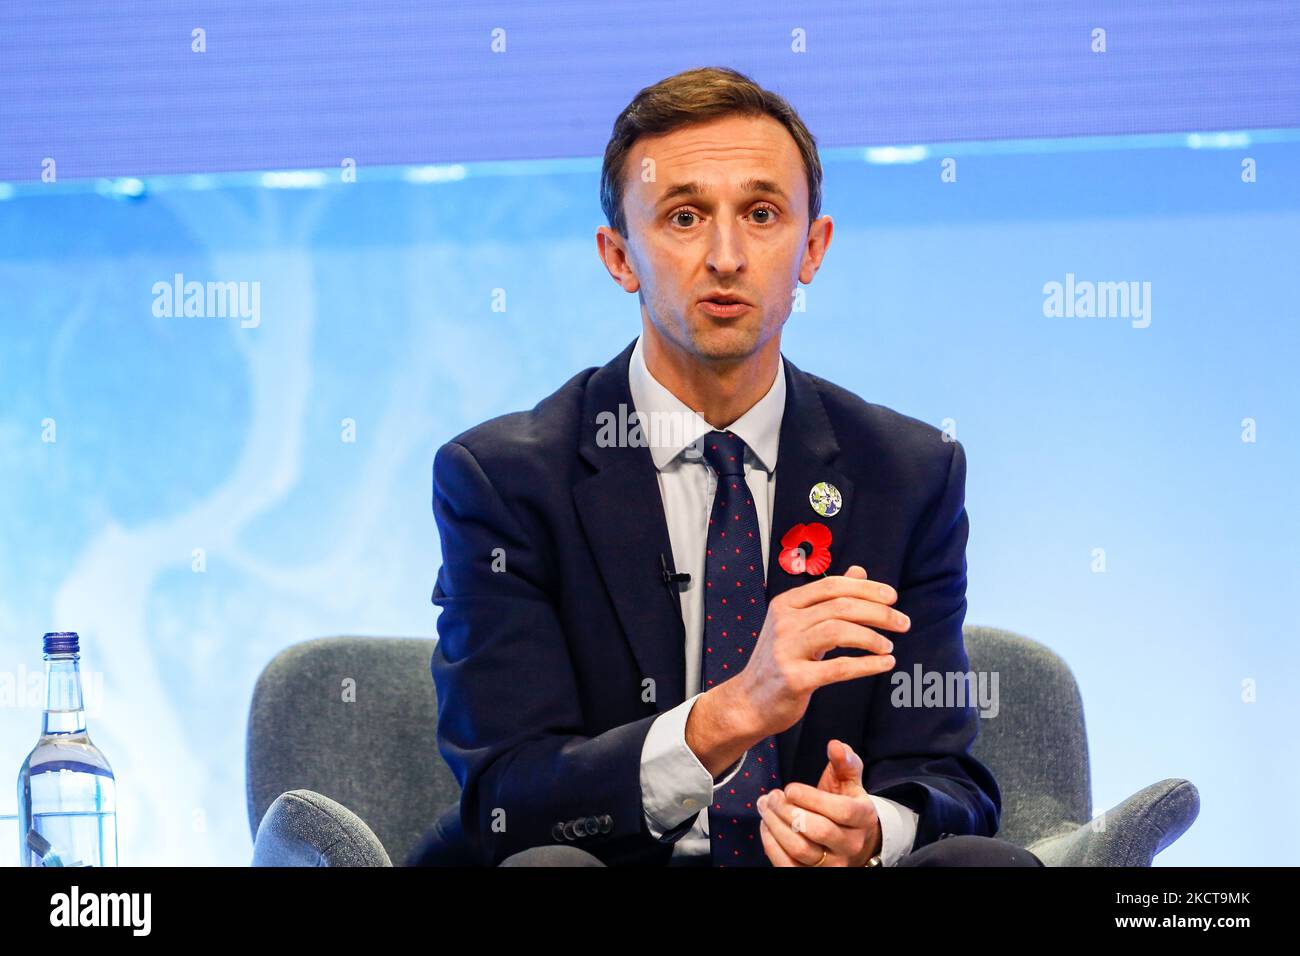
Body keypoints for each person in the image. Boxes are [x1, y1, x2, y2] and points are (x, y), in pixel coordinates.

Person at [413, 66, 1041, 868]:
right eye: (683, 216)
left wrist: (874, 827)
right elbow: (506, 795)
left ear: (812, 248)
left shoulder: (909, 474)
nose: (726, 255)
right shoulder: (504, 480)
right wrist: (729, 715)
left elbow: (948, 775)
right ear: (619, 257)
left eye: (762, 214)